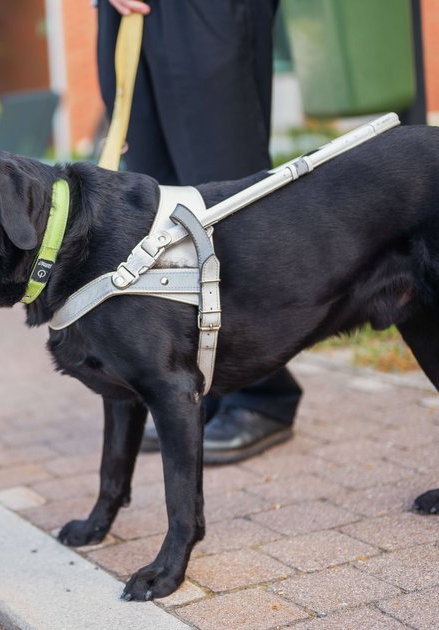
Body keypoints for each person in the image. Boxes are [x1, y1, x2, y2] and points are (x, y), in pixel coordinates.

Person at [97, 0, 301, 464]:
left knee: (225, 207)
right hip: (121, 13)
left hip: (200, 13)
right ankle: (199, 386)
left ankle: (263, 395)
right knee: (155, 212)